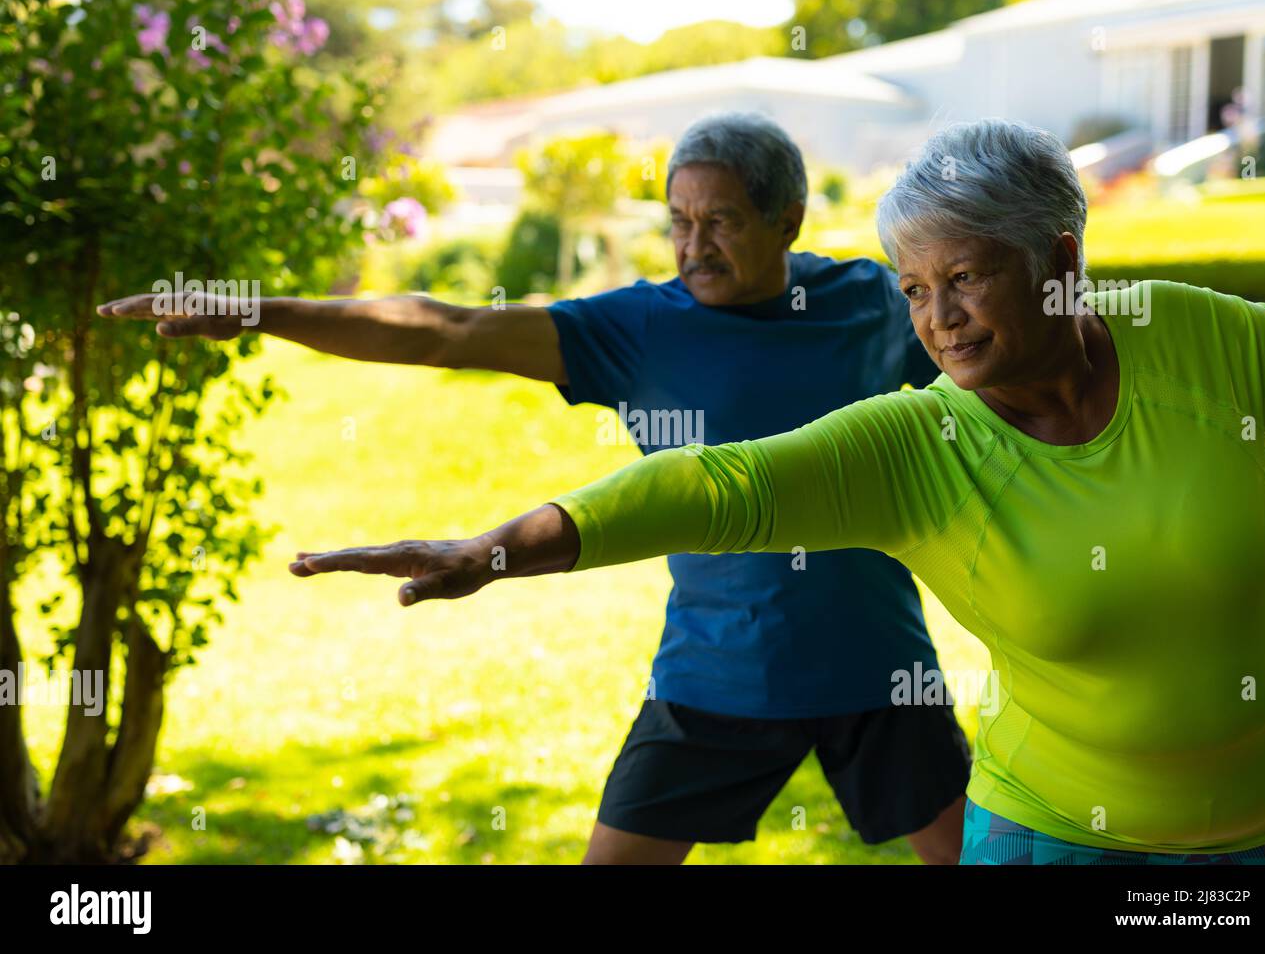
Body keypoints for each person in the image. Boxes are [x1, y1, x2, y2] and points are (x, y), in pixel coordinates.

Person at [286, 118, 1265, 864]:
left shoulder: (1188, 334)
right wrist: (494, 547)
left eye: (964, 279)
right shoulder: (907, 439)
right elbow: (712, 483)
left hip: (1251, 810)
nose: (935, 319)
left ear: (1059, 262)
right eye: (914, 288)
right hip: (1014, 809)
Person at [98, 112, 971, 865]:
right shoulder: (637, 326)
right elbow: (448, 330)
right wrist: (265, 311)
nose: (693, 246)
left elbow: (997, 349)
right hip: (717, 672)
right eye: (678, 222)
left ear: (787, 220)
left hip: (877, 665)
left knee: (981, 855)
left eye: (722, 222)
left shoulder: (868, 300)